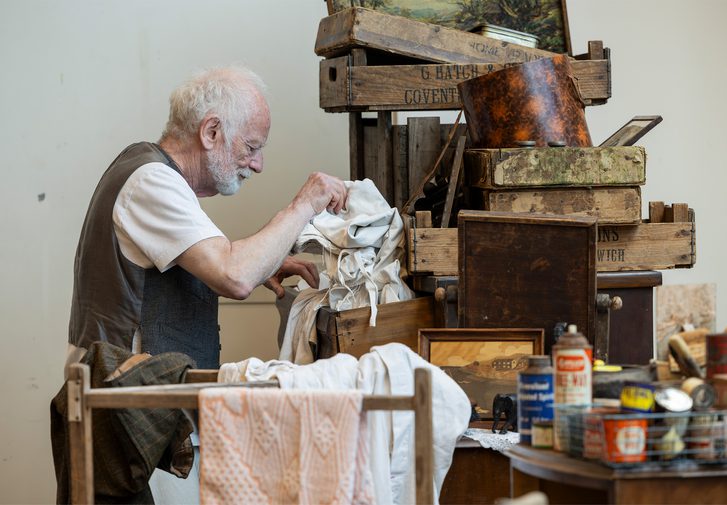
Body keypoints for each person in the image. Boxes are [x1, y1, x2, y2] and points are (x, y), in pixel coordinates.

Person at [66, 64, 348, 372]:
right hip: (127, 406)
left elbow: (207, 265)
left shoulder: (148, 169)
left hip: (138, 398)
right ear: (211, 132)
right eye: (251, 147)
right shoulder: (151, 181)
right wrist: (304, 204)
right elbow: (234, 275)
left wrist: (263, 264)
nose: (258, 165)